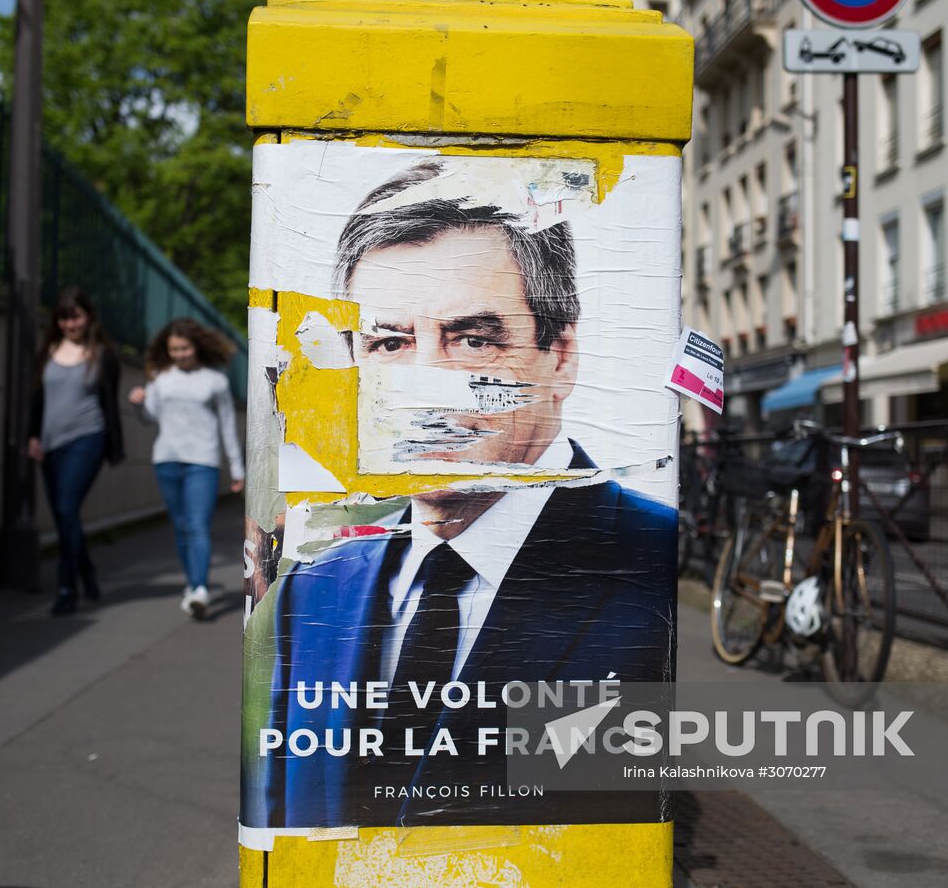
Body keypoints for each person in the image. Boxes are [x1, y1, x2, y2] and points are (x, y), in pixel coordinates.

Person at [262, 161, 676, 827]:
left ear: (560, 357)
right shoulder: (313, 591)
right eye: (390, 342)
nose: (427, 386)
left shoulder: (651, 563)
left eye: (474, 339)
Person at [129, 318, 246, 619]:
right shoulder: (160, 378)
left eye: (184, 348)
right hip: (166, 459)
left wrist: (237, 467)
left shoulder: (215, 380)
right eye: (173, 349)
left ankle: (200, 590)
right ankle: (194, 583)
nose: (179, 354)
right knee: (181, 528)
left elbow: (227, 425)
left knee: (197, 525)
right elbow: (149, 417)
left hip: (202, 461)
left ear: (196, 347)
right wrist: (138, 404)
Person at [28, 287, 125, 616]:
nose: (70, 323)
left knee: (67, 508)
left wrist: (114, 447)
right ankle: (87, 572)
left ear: (88, 317)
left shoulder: (102, 355)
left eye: (76, 316)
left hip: (88, 438)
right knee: (63, 516)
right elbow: (37, 398)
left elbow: (110, 403)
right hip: (50, 442)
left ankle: (66, 587)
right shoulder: (49, 350)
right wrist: (32, 436)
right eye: (64, 317)